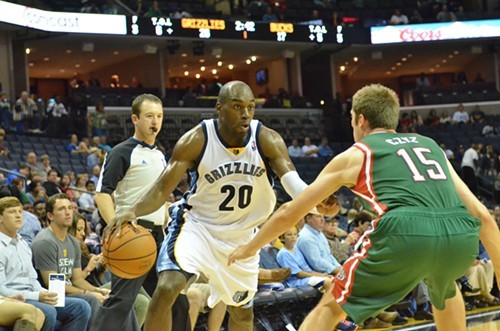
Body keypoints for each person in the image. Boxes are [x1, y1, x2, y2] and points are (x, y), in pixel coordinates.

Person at [228, 84, 500, 331]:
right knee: (445, 287)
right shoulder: (430, 146)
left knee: (332, 303)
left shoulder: (359, 153)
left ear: (360, 119)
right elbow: (483, 215)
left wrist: (248, 249)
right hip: (459, 233)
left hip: (406, 231)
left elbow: (290, 212)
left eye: (351, 120)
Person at [109, 81, 337, 331]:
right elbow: (163, 188)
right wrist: (133, 210)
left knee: (242, 313)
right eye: (237, 106)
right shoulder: (197, 139)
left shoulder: (267, 139)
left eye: (250, 107)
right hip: (198, 229)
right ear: (219, 108)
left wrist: (317, 203)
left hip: (241, 240)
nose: (246, 114)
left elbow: (293, 184)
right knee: (167, 287)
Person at [92, 94, 190, 331]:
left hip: (159, 237)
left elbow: (157, 200)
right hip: (133, 236)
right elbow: (102, 194)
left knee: (177, 301)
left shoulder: (159, 154)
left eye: (159, 116)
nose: (155, 122)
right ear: (135, 119)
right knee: (121, 302)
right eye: (149, 116)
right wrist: (118, 228)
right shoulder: (121, 152)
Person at [0, 196, 91, 331]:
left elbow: (32, 279)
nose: (19, 216)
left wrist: (45, 293)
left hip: (32, 294)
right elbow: (2, 289)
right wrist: (37, 296)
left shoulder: (23, 244)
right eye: (12, 212)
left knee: (81, 307)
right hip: (13, 299)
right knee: (48, 311)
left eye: (20, 211)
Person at [31, 194, 110, 326]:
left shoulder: (73, 242)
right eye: (62, 209)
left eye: (69, 208)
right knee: (90, 301)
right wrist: (88, 293)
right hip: (50, 296)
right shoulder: (45, 241)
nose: (68, 213)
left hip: (68, 292)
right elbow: (52, 285)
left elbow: (77, 280)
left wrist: (98, 290)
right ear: (50, 216)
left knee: (111, 297)